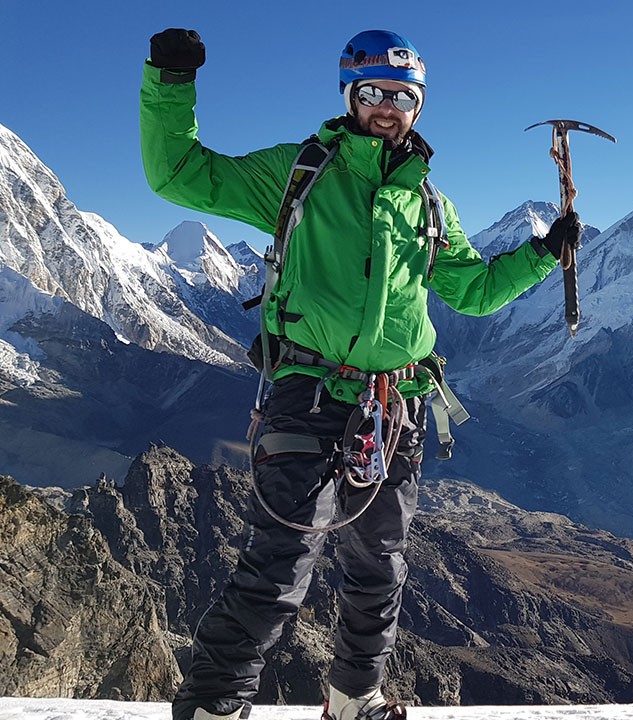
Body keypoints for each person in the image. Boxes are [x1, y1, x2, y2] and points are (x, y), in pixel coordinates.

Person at [140, 28, 579, 720]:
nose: (387, 107)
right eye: (372, 92)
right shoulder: (299, 173)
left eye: (403, 96)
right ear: (350, 95)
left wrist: (542, 255)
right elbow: (177, 173)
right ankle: (214, 703)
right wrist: (171, 84)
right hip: (306, 396)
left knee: (380, 567)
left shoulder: (429, 204)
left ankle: (353, 698)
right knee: (280, 565)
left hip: (395, 406)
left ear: (419, 106)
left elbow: (473, 291)